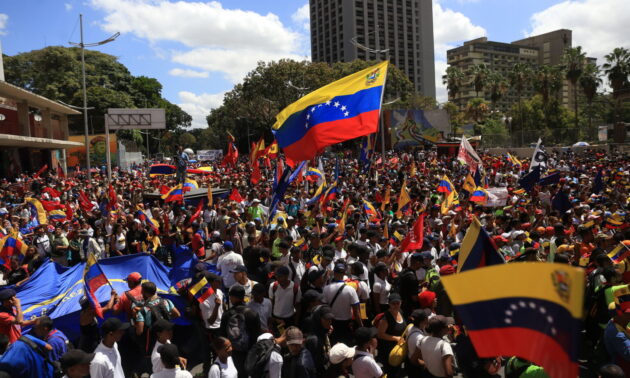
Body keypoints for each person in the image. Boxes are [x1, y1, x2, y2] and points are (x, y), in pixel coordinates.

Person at [219, 285, 261, 378]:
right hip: (249, 353)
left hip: (233, 353)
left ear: (234, 297)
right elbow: (257, 335)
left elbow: (222, 335)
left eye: (231, 296)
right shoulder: (252, 314)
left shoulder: (227, 315)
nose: (230, 299)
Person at [323, 263, 362, 345]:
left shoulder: (326, 289)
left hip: (331, 324)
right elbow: (356, 312)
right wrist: (361, 326)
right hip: (346, 325)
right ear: (344, 274)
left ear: (334, 273)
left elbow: (324, 308)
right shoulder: (351, 290)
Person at [376, 293, 407, 377]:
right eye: (393, 303)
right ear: (389, 304)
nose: (396, 305)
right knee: (392, 372)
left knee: (398, 369)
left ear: (401, 302)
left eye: (398, 303)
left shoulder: (400, 312)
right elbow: (380, 334)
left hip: (398, 348)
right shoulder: (386, 318)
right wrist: (395, 338)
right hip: (388, 350)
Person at [269, 265, 301, 332]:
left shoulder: (295, 288)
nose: (278, 278)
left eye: (280, 276)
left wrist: (296, 322)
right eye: (277, 276)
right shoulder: (273, 286)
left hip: (289, 319)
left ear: (287, 276)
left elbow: (298, 306)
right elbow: (271, 304)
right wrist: (273, 319)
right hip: (276, 319)